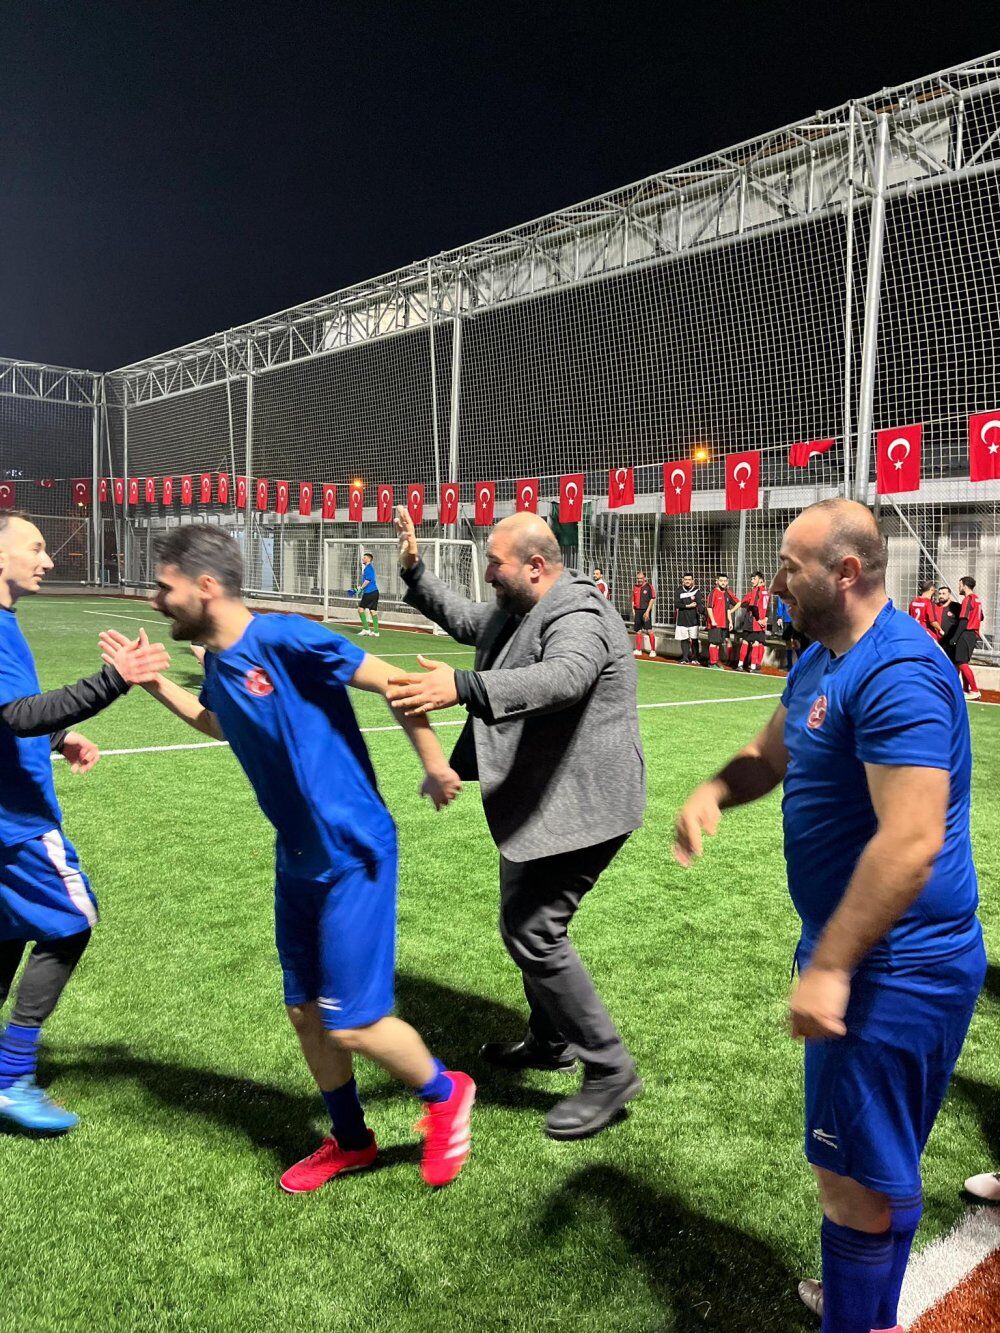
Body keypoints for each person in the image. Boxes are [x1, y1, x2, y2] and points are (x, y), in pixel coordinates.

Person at [674, 499, 985, 1333]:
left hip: (895, 965)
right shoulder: (823, 658)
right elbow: (769, 753)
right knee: (873, 1171)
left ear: (845, 571)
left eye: (790, 565)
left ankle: (856, 1304)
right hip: (871, 954)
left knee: (850, 1186)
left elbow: (911, 839)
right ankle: (864, 1297)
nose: (777, 581)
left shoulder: (897, 671)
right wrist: (716, 788)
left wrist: (833, 964)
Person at [105, 524, 474, 1191]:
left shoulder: (285, 638)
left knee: (354, 1022)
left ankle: (447, 1093)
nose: (156, 599)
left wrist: (434, 764)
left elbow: (397, 682)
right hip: (297, 860)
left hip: (353, 850)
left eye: (164, 586)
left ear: (206, 586)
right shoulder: (219, 661)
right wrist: (153, 683)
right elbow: (218, 722)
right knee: (306, 1012)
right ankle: (352, 1141)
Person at [389, 506, 645, 1140]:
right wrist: (415, 573)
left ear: (535, 566)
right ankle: (551, 1041)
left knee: (533, 930)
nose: (487, 574)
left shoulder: (579, 612)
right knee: (523, 920)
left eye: (494, 564)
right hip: (543, 800)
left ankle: (610, 1070)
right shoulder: (521, 609)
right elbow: (469, 620)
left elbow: (565, 677)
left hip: (586, 806)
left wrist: (465, 687)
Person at [0, 510, 169, 1133]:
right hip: (17, 822)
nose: (47, 560)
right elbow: (18, 715)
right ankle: (11, 1077)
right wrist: (113, 680)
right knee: (73, 921)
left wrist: (59, 737)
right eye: (36, 548)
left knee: (7, 935)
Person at [953, 576, 983, 702]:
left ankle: (975, 690)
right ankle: (966, 690)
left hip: (966, 633)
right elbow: (981, 616)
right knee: (963, 662)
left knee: (961, 662)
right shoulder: (977, 599)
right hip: (973, 634)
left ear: (964, 585)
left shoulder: (967, 599)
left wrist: (955, 638)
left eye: (960, 585)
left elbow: (964, 620)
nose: (959, 587)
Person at [736, 571, 769, 672]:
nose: (752, 581)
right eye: (751, 579)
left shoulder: (756, 591)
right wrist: (766, 618)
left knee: (748, 642)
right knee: (757, 642)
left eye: (754, 579)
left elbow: (753, 606)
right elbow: (768, 607)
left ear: (761, 580)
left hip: (753, 621)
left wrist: (759, 620)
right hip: (760, 622)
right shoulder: (767, 592)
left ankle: (741, 665)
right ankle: (753, 667)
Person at [706, 574, 738, 669]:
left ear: (727, 582)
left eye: (725, 581)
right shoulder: (713, 593)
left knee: (718, 643)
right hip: (715, 623)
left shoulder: (726, 593)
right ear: (717, 582)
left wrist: (730, 621)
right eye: (721, 581)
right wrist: (713, 620)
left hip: (723, 623)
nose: (723, 583)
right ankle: (712, 663)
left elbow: (730, 608)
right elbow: (709, 607)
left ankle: (715, 661)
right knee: (713, 643)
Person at [674, 573, 705, 665]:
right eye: (685, 579)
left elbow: (699, 604)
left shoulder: (697, 591)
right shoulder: (679, 591)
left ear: (692, 581)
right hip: (682, 620)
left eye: (689, 579)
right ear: (682, 580)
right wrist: (688, 606)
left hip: (694, 620)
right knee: (684, 639)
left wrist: (704, 614)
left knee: (694, 639)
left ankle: (695, 658)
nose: (687, 581)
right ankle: (685, 658)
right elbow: (677, 604)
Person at [631, 571, 657, 658]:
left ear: (645, 578)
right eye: (638, 578)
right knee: (638, 630)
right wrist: (633, 611)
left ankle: (653, 650)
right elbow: (633, 600)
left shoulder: (649, 587)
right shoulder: (635, 587)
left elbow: (652, 599)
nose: (639, 580)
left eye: (641, 578)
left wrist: (648, 611)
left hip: (645, 611)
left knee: (649, 630)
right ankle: (638, 650)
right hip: (637, 611)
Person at [357, 552, 380, 637]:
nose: (363, 559)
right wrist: (360, 588)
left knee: (360, 609)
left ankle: (366, 629)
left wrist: (361, 588)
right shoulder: (369, 568)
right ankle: (376, 632)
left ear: (369, 559)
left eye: (365, 557)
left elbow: (368, 580)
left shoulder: (368, 568)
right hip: (375, 592)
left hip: (369, 592)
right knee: (373, 611)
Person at [936, 586, 960, 661]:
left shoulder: (956, 607)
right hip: (937, 640)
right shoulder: (934, 606)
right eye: (939, 594)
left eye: (944, 594)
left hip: (950, 641)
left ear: (949, 595)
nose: (941, 596)